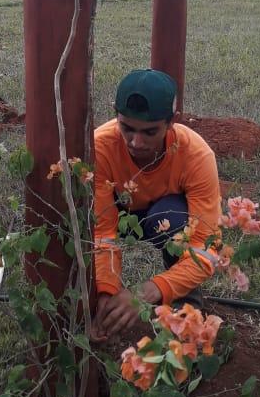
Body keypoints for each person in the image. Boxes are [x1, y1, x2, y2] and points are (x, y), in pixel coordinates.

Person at [91, 68, 221, 341]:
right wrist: (105, 292)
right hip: (118, 213)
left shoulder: (196, 155)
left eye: (150, 132)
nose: (136, 142)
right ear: (115, 114)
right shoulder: (99, 147)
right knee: (81, 226)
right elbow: (102, 232)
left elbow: (205, 249)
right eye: (126, 128)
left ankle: (186, 310)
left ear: (172, 121)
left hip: (162, 216)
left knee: (173, 219)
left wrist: (148, 291)